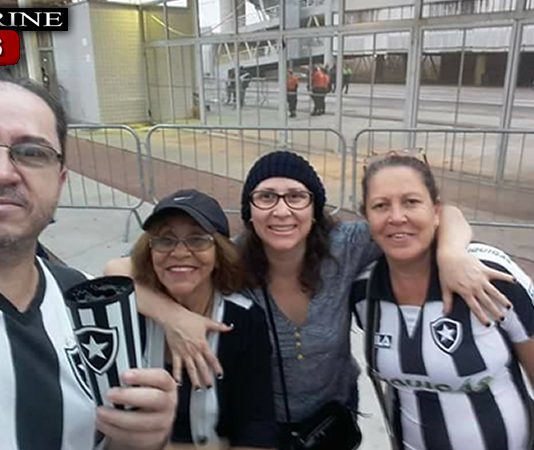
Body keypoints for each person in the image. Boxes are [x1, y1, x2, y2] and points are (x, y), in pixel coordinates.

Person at [106, 151, 513, 448]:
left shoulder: (346, 246)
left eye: (296, 196)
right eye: (266, 197)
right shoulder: (234, 257)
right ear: (250, 211)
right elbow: (117, 269)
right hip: (263, 425)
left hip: (331, 422)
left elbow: (445, 214)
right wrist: (173, 317)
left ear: (315, 207)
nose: (281, 211)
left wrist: (451, 253)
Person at [0, 75, 177, 450]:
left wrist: (139, 439)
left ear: (60, 180)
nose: (3, 172)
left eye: (31, 152)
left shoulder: (85, 299)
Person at [352, 153, 534, 450]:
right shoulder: (364, 292)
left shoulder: (491, 277)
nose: (396, 216)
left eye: (411, 202)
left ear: (436, 211)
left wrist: (450, 250)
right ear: (366, 218)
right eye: (381, 205)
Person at [131, 188, 276, 449]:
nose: (179, 252)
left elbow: (256, 429)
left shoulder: (243, 320)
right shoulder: (127, 314)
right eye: (165, 240)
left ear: (219, 254)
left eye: (197, 239)